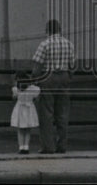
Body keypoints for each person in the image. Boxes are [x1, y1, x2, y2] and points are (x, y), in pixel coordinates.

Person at [31, 19, 75, 154]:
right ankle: (62, 145)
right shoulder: (69, 44)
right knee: (62, 114)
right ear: (60, 30)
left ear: (47, 31)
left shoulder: (44, 44)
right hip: (64, 77)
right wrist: (67, 78)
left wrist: (35, 81)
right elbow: (72, 66)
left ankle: (48, 147)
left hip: (48, 78)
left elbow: (37, 68)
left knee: (46, 114)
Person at [10, 71, 40, 154]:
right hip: (29, 109)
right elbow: (36, 98)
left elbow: (14, 97)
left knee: (20, 130)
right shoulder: (33, 89)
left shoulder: (16, 89)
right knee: (28, 130)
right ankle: (26, 147)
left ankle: (21, 147)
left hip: (20, 109)